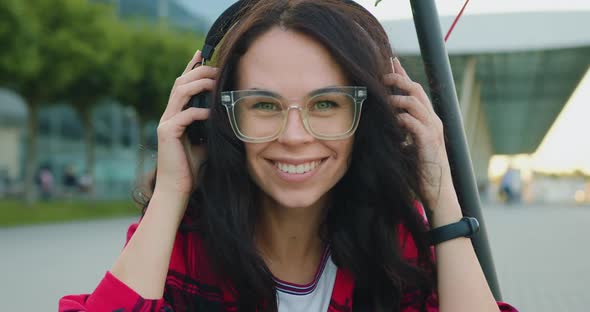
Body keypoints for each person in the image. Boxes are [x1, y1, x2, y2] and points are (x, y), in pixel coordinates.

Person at [59, 1, 517, 311]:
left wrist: (442, 200)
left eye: (325, 104)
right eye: (263, 105)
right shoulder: (185, 245)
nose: (295, 136)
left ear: (373, 118)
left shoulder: (398, 242)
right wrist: (170, 196)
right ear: (212, 118)